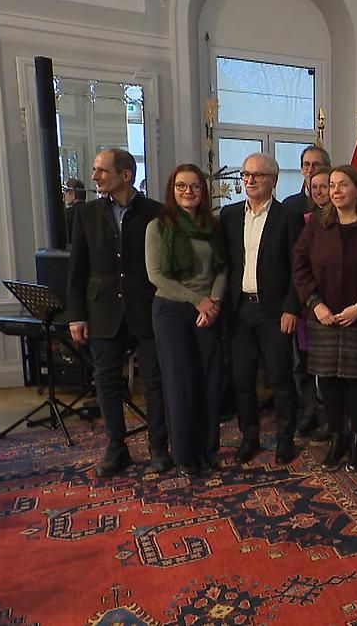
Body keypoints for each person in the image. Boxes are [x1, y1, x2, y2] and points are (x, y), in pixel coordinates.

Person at [67, 148, 171, 478]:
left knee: (155, 382)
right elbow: (77, 270)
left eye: (101, 170)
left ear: (125, 175)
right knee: (106, 382)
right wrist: (76, 315)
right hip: (102, 311)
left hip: (146, 309)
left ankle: (158, 446)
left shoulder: (156, 212)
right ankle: (116, 447)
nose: (95, 176)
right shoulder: (84, 214)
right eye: (95, 170)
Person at [293, 165, 357, 472]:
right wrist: (315, 303)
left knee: (355, 382)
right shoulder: (317, 223)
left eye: (343, 185)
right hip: (323, 315)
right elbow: (300, 266)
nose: (335, 190)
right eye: (332, 185)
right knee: (328, 381)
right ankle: (337, 438)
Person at [219, 152, 304, 466]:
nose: (250, 180)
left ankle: (285, 439)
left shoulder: (287, 216)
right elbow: (224, 264)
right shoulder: (228, 216)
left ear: (274, 180)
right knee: (242, 379)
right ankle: (249, 437)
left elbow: (298, 268)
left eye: (257, 175)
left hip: (275, 312)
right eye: (245, 174)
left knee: (281, 378)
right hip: (239, 310)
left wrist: (291, 307)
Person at [145, 164, 227, 478]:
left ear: (203, 191)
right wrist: (198, 302)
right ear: (172, 189)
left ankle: (207, 450)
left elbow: (222, 268)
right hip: (172, 311)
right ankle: (184, 455)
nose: (188, 191)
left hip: (209, 311)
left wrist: (213, 304)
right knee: (181, 384)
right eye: (181, 186)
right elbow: (156, 276)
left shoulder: (213, 225)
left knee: (209, 380)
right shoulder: (159, 226)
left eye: (194, 186)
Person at [282, 145, 331, 441]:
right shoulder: (289, 206)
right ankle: (308, 411)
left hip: (330, 299)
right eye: (306, 165)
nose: (310, 169)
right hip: (300, 298)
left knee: (327, 363)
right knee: (301, 362)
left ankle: (332, 416)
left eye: (316, 165)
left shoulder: (338, 206)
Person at [294, 165, 332, 442]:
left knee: (336, 370)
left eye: (325, 186)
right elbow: (297, 263)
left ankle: (336, 422)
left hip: (341, 307)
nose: (319, 192)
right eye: (314, 187)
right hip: (309, 303)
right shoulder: (302, 217)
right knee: (308, 365)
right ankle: (313, 414)